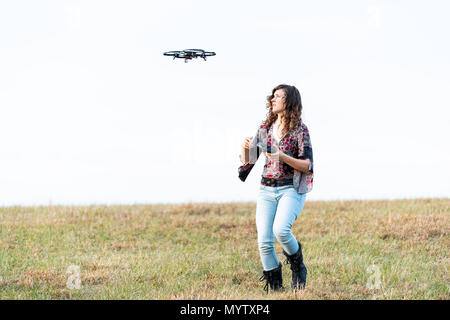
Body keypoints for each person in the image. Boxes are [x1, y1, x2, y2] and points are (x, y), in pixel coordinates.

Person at [238, 84, 314, 293]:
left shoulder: (300, 129)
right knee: (264, 241)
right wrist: (245, 149)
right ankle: (277, 291)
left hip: (291, 189)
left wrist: (283, 157)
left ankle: (298, 265)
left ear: (289, 102)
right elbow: (249, 162)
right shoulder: (265, 128)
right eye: (273, 96)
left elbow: (307, 165)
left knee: (280, 230)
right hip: (266, 190)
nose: (273, 99)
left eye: (278, 96)